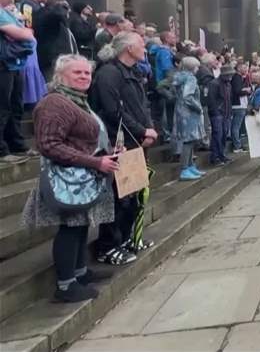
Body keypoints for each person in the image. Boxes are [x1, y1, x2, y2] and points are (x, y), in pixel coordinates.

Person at [21, 54, 117, 302]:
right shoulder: (55, 103)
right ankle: (65, 286)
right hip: (66, 180)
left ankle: (80, 272)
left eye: (87, 73)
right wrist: (96, 161)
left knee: (81, 225)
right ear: (60, 76)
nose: (85, 77)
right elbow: (49, 145)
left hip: (81, 177)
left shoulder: (76, 101)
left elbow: (83, 140)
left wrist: (108, 154)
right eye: (78, 73)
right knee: (70, 229)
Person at [90, 32, 157, 264]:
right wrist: (141, 131)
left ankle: (128, 238)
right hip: (118, 143)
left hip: (135, 142)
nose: (144, 49)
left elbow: (141, 105)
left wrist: (148, 129)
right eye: (140, 44)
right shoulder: (108, 73)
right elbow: (113, 111)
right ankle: (108, 246)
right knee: (119, 198)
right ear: (128, 48)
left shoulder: (133, 73)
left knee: (134, 195)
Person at [0, 0, 36, 164]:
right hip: (3, 65)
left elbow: (28, 32)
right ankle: (2, 150)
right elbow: (23, 34)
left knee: (16, 106)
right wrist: (22, 33)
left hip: (16, 64)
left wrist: (22, 32)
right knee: (3, 107)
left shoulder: (8, 12)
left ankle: (17, 144)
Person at [172, 57, 206, 180]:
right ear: (192, 68)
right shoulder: (191, 78)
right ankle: (185, 168)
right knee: (189, 140)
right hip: (190, 113)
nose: (198, 69)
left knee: (189, 140)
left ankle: (190, 166)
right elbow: (188, 97)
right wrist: (199, 107)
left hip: (180, 111)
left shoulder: (179, 77)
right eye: (197, 66)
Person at [33, 0, 78, 83]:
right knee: (53, 87)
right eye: (65, 7)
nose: (69, 10)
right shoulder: (47, 17)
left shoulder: (62, 23)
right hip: (52, 62)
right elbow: (53, 15)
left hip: (65, 61)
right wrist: (58, 7)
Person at [207, 64, 234, 166]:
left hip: (226, 113)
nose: (230, 76)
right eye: (229, 74)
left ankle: (221, 155)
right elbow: (212, 100)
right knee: (217, 135)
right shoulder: (214, 84)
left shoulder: (228, 85)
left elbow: (229, 100)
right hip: (217, 114)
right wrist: (216, 112)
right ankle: (215, 157)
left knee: (224, 135)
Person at [230, 62, 251, 153]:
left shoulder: (240, 78)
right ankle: (237, 146)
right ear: (238, 68)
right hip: (238, 105)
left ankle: (238, 145)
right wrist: (246, 91)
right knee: (236, 126)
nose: (246, 69)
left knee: (237, 126)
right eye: (244, 67)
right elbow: (237, 91)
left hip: (240, 105)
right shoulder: (237, 77)